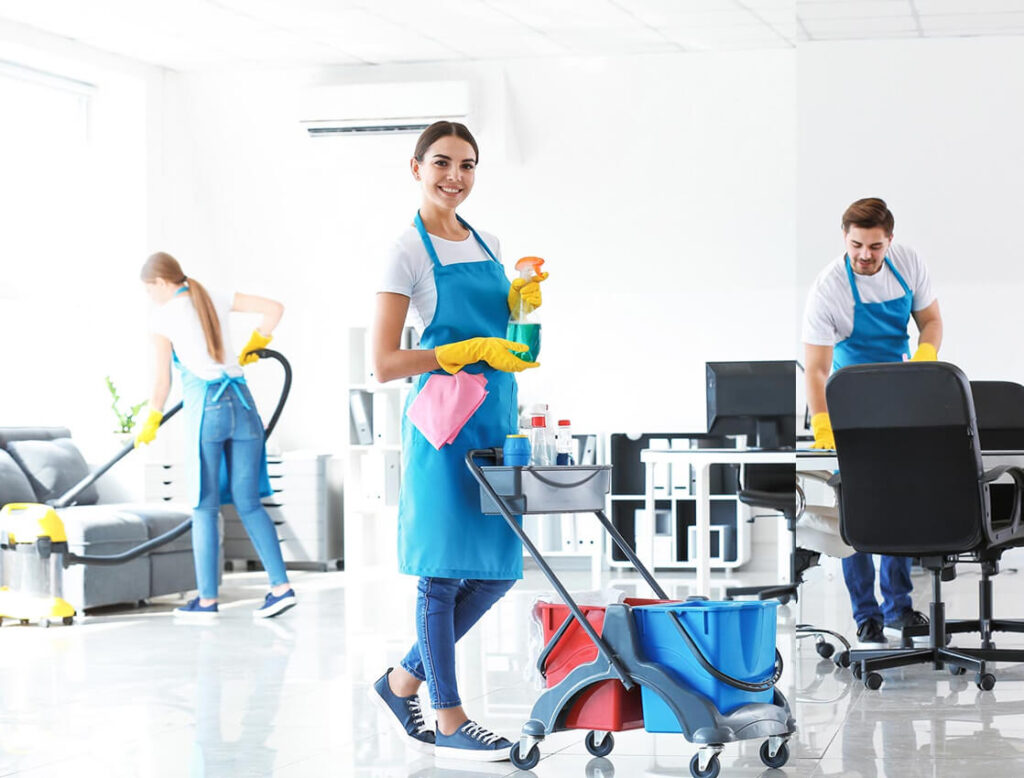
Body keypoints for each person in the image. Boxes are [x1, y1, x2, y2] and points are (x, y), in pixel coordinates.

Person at [367, 121, 543, 761]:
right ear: (415, 168)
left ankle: (400, 682)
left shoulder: (490, 243)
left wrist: (521, 307)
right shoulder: (404, 252)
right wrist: (459, 351)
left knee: (496, 570)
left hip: (497, 422)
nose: (455, 177)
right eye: (442, 163)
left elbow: (507, 333)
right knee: (440, 577)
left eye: (467, 165)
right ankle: (446, 716)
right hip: (442, 428)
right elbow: (384, 362)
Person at [803, 197, 943, 646]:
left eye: (875, 246)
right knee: (857, 506)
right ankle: (866, 614)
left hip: (901, 392)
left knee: (897, 500)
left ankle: (898, 607)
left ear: (890, 241)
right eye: (857, 244)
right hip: (849, 398)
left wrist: (925, 355)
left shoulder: (908, 263)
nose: (865, 255)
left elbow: (932, 320)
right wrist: (824, 425)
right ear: (845, 237)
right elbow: (818, 369)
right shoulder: (829, 288)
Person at [136, 252, 296, 620]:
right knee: (249, 501)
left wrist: (150, 420)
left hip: (207, 410)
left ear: (161, 282)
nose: (150, 297)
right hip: (244, 407)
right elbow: (275, 308)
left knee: (204, 507)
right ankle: (281, 587)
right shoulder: (213, 295)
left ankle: (206, 601)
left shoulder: (161, 317)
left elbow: (162, 383)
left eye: (149, 289)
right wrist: (257, 343)